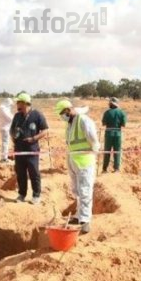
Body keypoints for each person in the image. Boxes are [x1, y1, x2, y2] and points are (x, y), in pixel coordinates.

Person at [55, 100, 100, 234]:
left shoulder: (83, 120)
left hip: (85, 161)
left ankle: (85, 221)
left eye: (63, 113)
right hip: (74, 160)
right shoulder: (70, 123)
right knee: (77, 191)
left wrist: (94, 149)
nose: (62, 116)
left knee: (85, 190)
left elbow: (93, 140)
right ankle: (79, 215)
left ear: (68, 110)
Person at [9, 93, 49, 204]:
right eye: (17, 102)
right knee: (20, 173)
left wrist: (34, 138)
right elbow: (11, 130)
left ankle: (36, 195)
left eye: (19, 102)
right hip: (19, 150)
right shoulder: (17, 116)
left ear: (26, 103)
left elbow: (45, 130)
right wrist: (13, 136)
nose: (17, 104)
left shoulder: (37, 115)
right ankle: (22, 194)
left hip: (32, 150)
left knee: (34, 173)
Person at [101, 97, 127, 173]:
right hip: (118, 134)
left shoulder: (107, 112)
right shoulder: (122, 112)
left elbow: (103, 123)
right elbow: (124, 124)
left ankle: (104, 169)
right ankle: (116, 169)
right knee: (117, 152)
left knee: (107, 151)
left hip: (108, 134)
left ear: (110, 103)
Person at [0, 98, 14, 162]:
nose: (10, 106)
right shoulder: (3, 108)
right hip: (4, 128)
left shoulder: (3, 108)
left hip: (5, 127)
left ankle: (5, 156)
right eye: (10, 105)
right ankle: (4, 158)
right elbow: (9, 118)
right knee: (5, 142)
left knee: (6, 142)